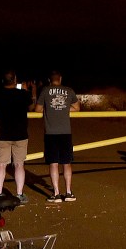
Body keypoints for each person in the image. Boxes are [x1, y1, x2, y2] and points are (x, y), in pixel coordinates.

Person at [0, 71, 32, 202]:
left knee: (1, 165)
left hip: (2, 134)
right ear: (15, 80)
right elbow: (31, 106)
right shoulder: (23, 95)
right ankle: (19, 194)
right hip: (20, 134)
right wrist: (28, 91)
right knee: (19, 165)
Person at [39, 70, 78, 204]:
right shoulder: (69, 90)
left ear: (50, 80)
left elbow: (37, 109)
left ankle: (56, 193)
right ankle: (68, 192)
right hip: (65, 132)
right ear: (60, 79)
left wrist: (49, 109)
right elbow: (77, 107)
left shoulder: (45, 91)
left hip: (51, 133)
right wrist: (65, 108)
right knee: (67, 163)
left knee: (53, 163)